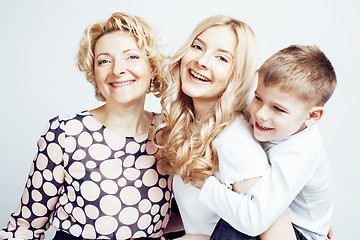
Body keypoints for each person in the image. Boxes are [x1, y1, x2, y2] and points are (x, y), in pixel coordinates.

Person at [0, 12, 172, 240]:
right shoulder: (65, 133)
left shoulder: (170, 132)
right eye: (104, 61)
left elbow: (189, 216)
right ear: (95, 74)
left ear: (151, 68)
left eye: (131, 57)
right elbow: (24, 228)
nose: (117, 69)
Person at [156, 15, 296, 240]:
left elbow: (280, 235)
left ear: (236, 75)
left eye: (222, 58)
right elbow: (206, 219)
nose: (202, 61)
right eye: (197, 46)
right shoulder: (191, 125)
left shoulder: (233, 140)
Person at [194, 45, 336, 240]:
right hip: (276, 211)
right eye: (258, 98)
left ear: (312, 116)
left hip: (299, 233)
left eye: (278, 109)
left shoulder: (300, 152)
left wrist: (204, 184)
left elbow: (255, 221)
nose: (260, 114)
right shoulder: (269, 122)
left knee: (241, 218)